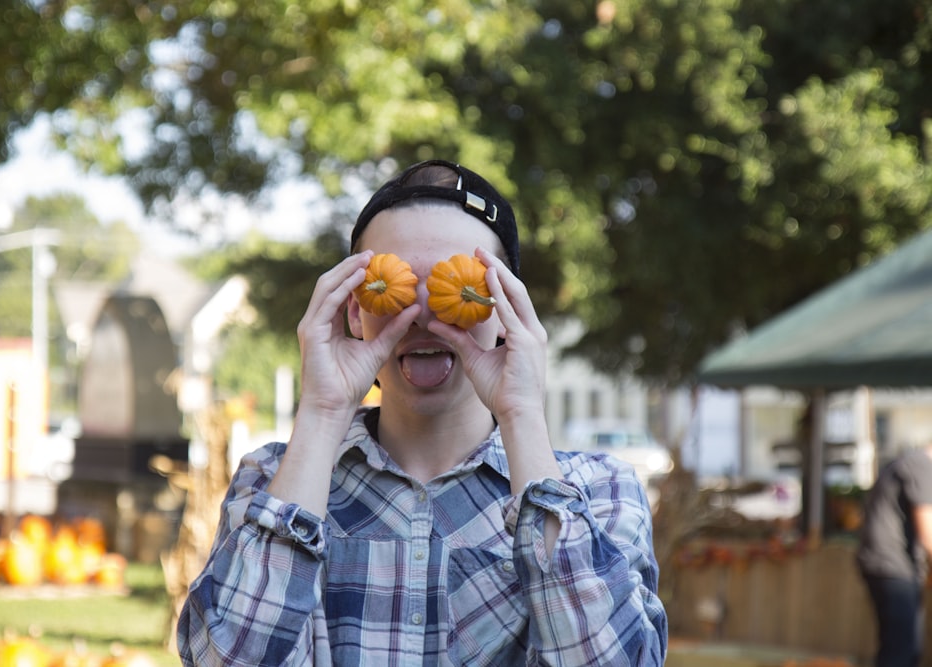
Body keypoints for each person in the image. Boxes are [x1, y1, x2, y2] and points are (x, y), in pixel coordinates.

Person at [177, 160, 668, 666]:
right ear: (353, 309)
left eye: (457, 285)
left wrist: (522, 412)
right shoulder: (273, 482)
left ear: (504, 311)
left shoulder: (600, 492)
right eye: (395, 285)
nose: (425, 315)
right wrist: (323, 411)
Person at [856, 442, 932, 667]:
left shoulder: (907, 463)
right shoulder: (921, 465)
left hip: (890, 566)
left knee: (904, 649)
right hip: (893, 568)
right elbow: (928, 532)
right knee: (900, 652)